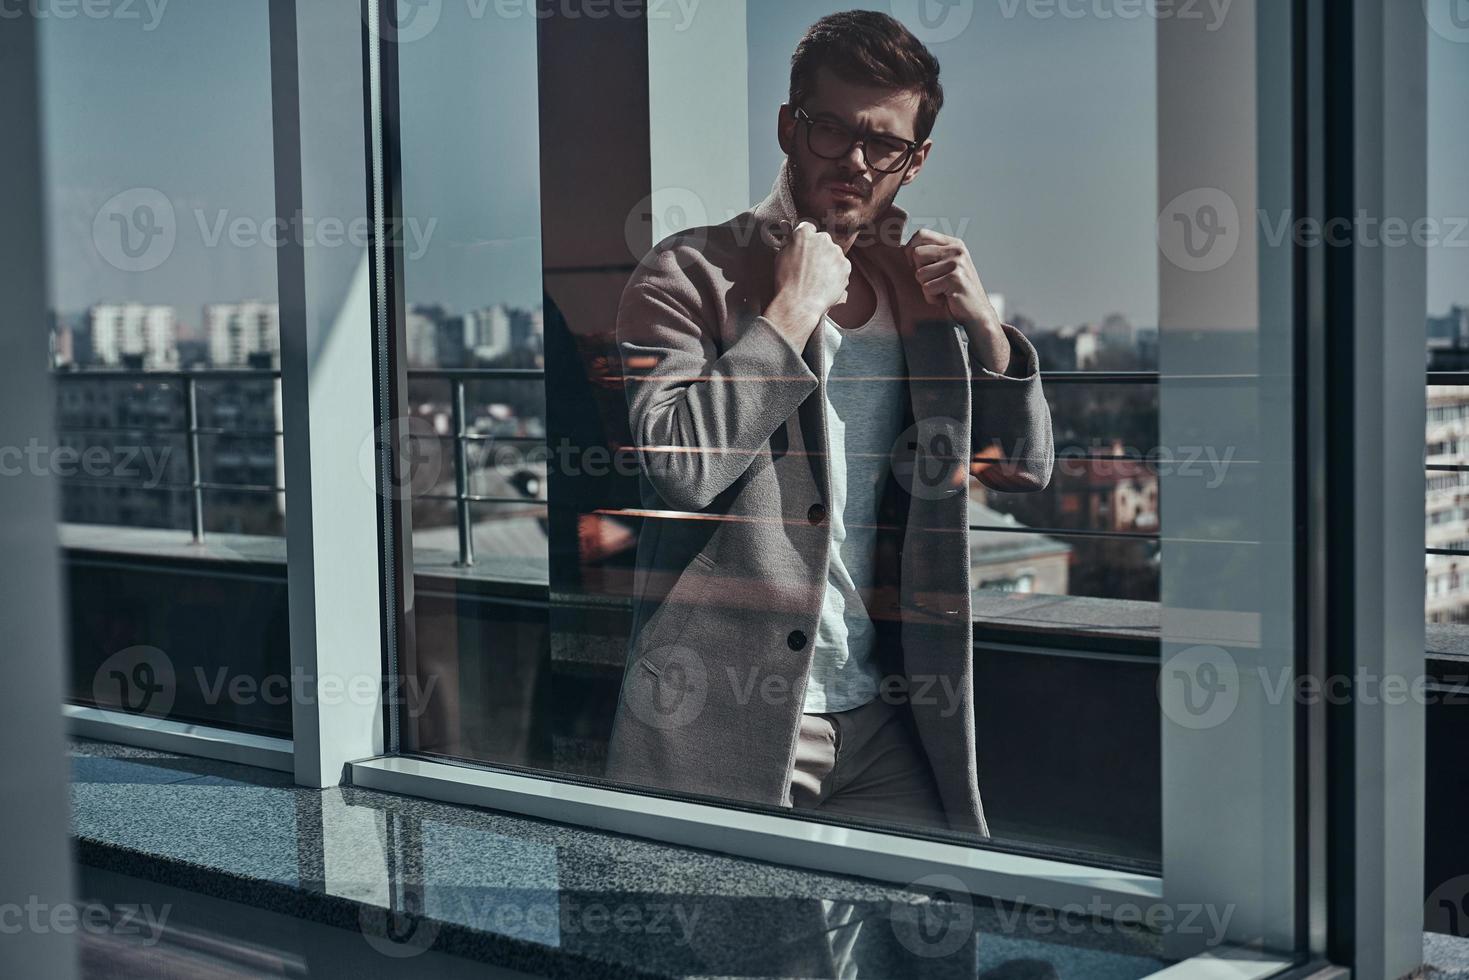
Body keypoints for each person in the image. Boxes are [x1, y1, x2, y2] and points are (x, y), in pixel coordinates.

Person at [606, 9, 1053, 838]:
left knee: (927, 938)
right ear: (787, 126)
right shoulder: (689, 272)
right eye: (828, 130)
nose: (853, 158)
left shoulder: (925, 297)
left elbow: (1021, 471)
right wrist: (783, 316)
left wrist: (987, 335)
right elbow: (677, 463)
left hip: (886, 721)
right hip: (728, 721)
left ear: (914, 162)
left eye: (880, 143)